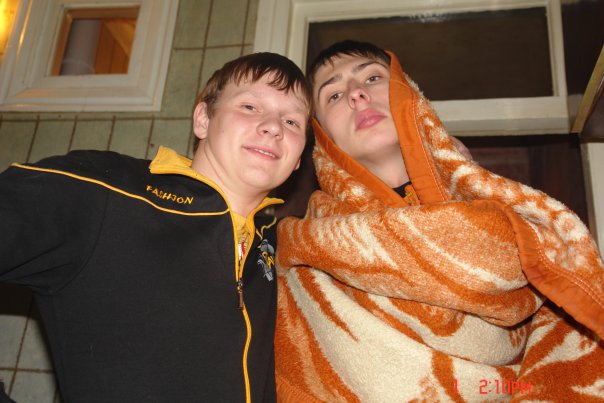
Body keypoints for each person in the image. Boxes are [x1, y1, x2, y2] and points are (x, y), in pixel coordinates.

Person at [274, 40, 604, 402]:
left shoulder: (521, 223)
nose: (356, 93)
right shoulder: (307, 251)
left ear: (408, 93)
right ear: (322, 137)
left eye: (372, 77)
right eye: (333, 95)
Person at [0, 52, 312, 402]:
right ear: (203, 119)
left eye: (292, 121)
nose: (273, 126)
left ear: (298, 158)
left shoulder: (284, 246)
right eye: (250, 106)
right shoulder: (104, 190)